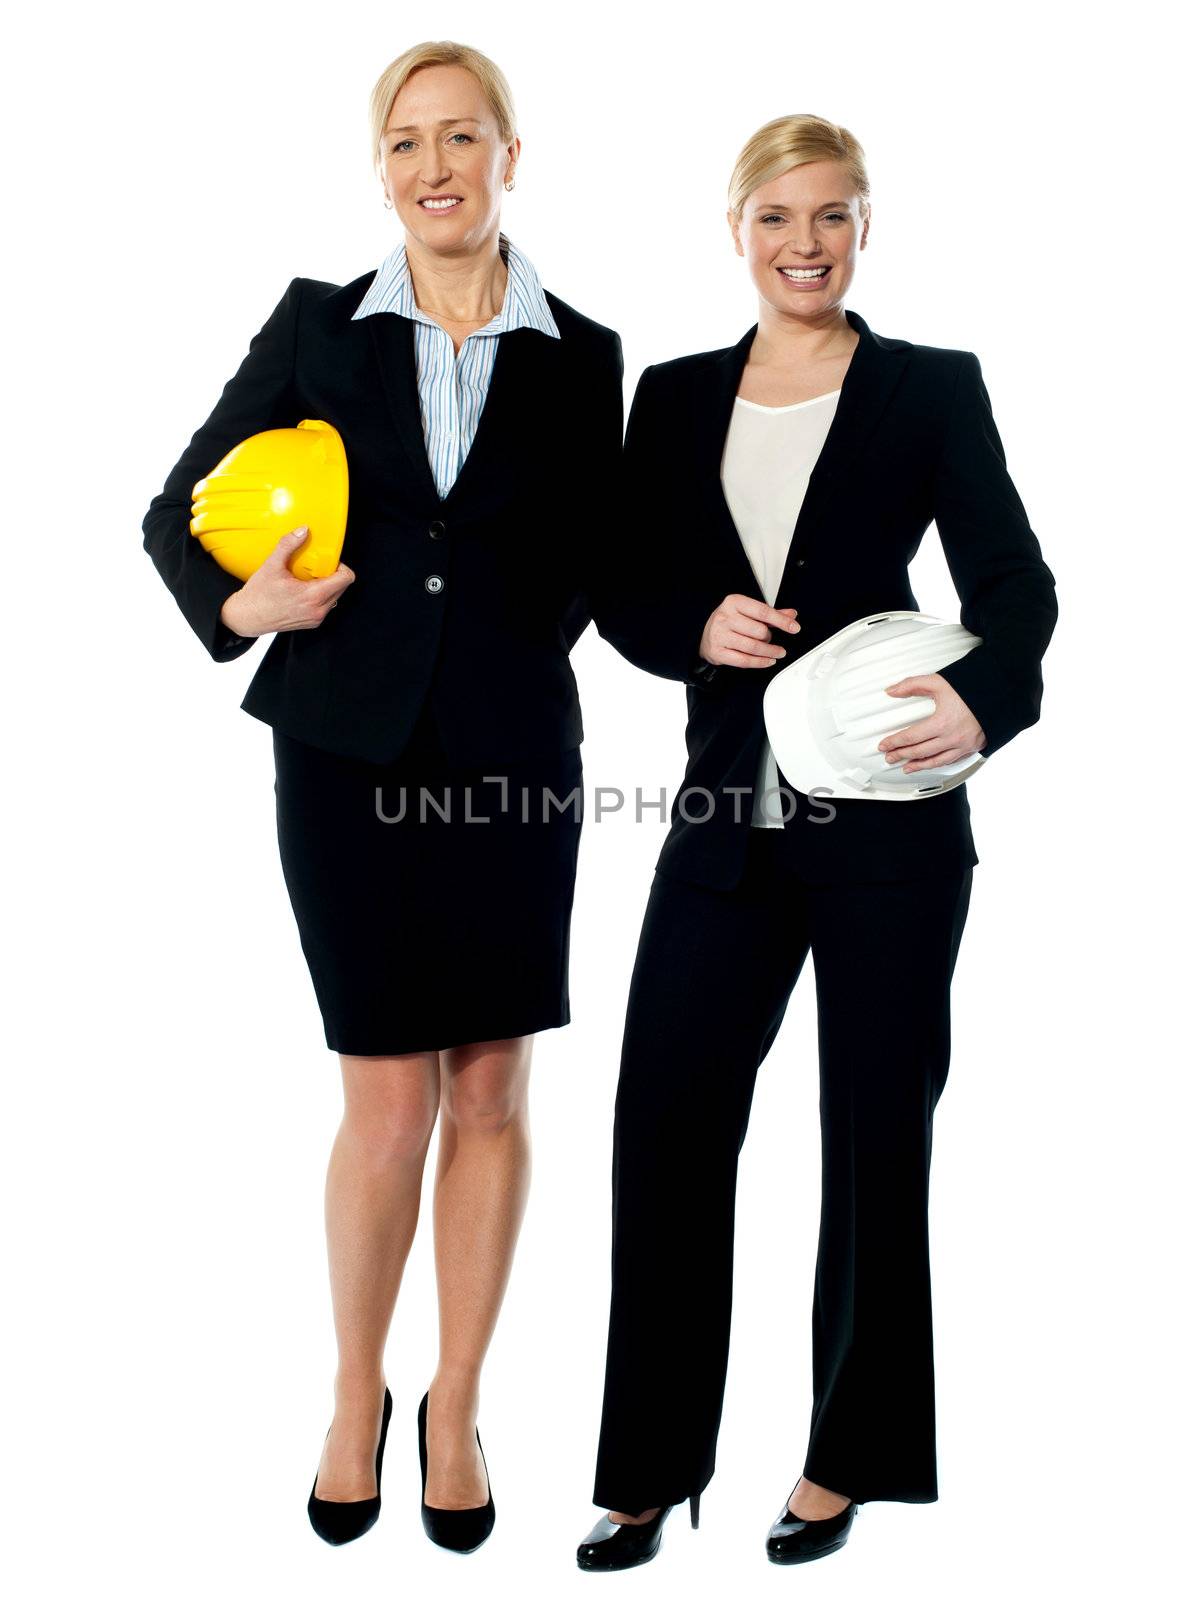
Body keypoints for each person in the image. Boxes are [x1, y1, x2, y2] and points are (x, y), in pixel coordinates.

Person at [142, 40, 702, 1554]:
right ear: (379, 169)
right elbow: (174, 514)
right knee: (386, 1097)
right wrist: (242, 609)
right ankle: (352, 1395)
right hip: (342, 755)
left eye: (463, 137)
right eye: (406, 143)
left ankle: (456, 1401)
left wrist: (702, 631)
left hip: (514, 763)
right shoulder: (318, 329)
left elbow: (605, 572)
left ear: (512, 154)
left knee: (494, 1090)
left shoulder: (586, 357)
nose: (436, 166)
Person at [575, 113, 1058, 1571]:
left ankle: (845, 1460)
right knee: (664, 1126)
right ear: (739, 230)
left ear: (862, 230)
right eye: (780, 217)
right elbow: (620, 590)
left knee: (872, 1143)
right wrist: (686, 630)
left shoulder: (928, 390)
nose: (807, 243)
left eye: (833, 217)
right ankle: (647, 1470)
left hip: (889, 835)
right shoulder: (668, 399)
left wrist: (981, 701)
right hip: (726, 815)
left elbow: (1018, 590)